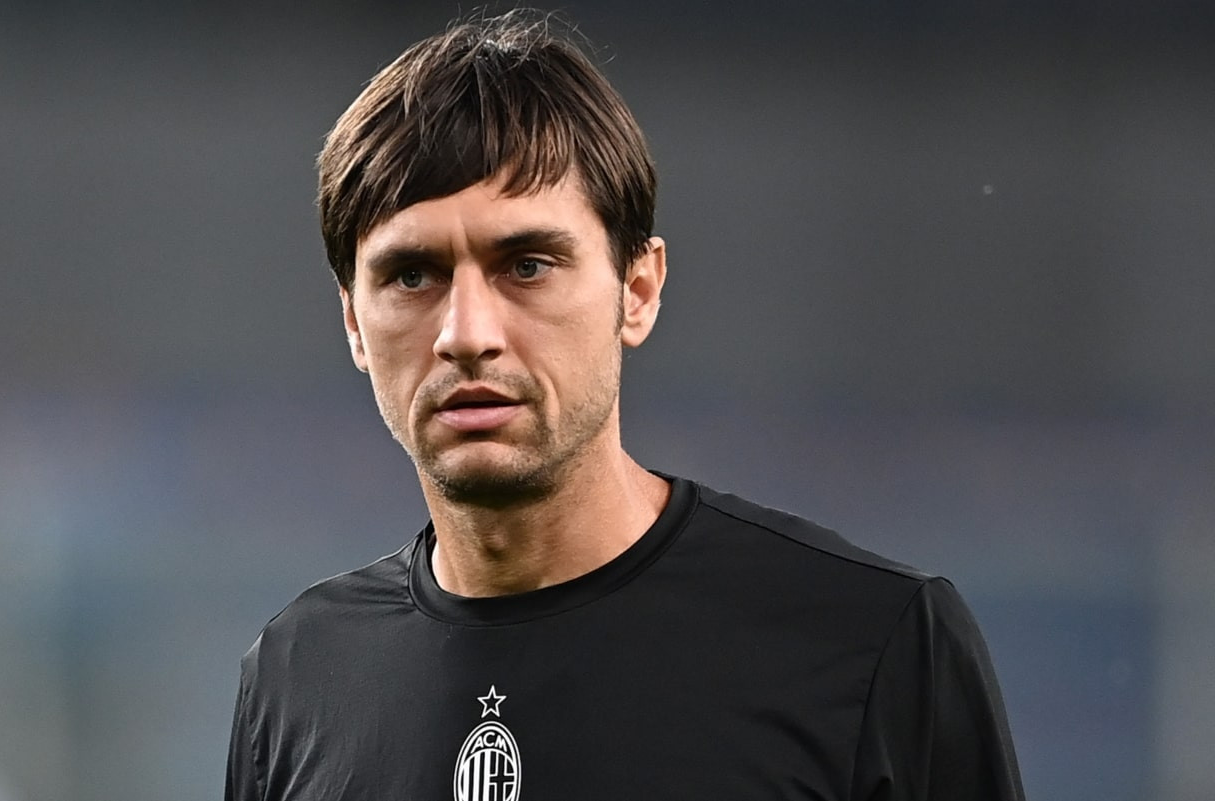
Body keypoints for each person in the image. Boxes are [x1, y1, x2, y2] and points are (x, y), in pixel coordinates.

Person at [225, 10, 1026, 801]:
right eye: (412, 275)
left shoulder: (875, 646)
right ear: (353, 323)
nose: (466, 334)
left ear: (637, 290)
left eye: (527, 265)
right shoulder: (297, 675)